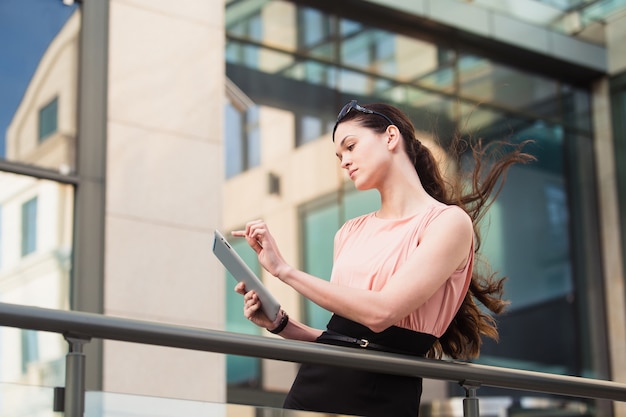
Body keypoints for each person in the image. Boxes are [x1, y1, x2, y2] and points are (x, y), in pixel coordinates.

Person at [232, 100, 534, 417]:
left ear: (391, 137)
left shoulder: (447, 223)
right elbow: (346, 338)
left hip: (382, 400)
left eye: (350, 147)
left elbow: (383, 313)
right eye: (339, 156)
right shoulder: (348, 232)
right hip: (312, 392)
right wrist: (281, 324)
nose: (344, 162)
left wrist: (283, 271)